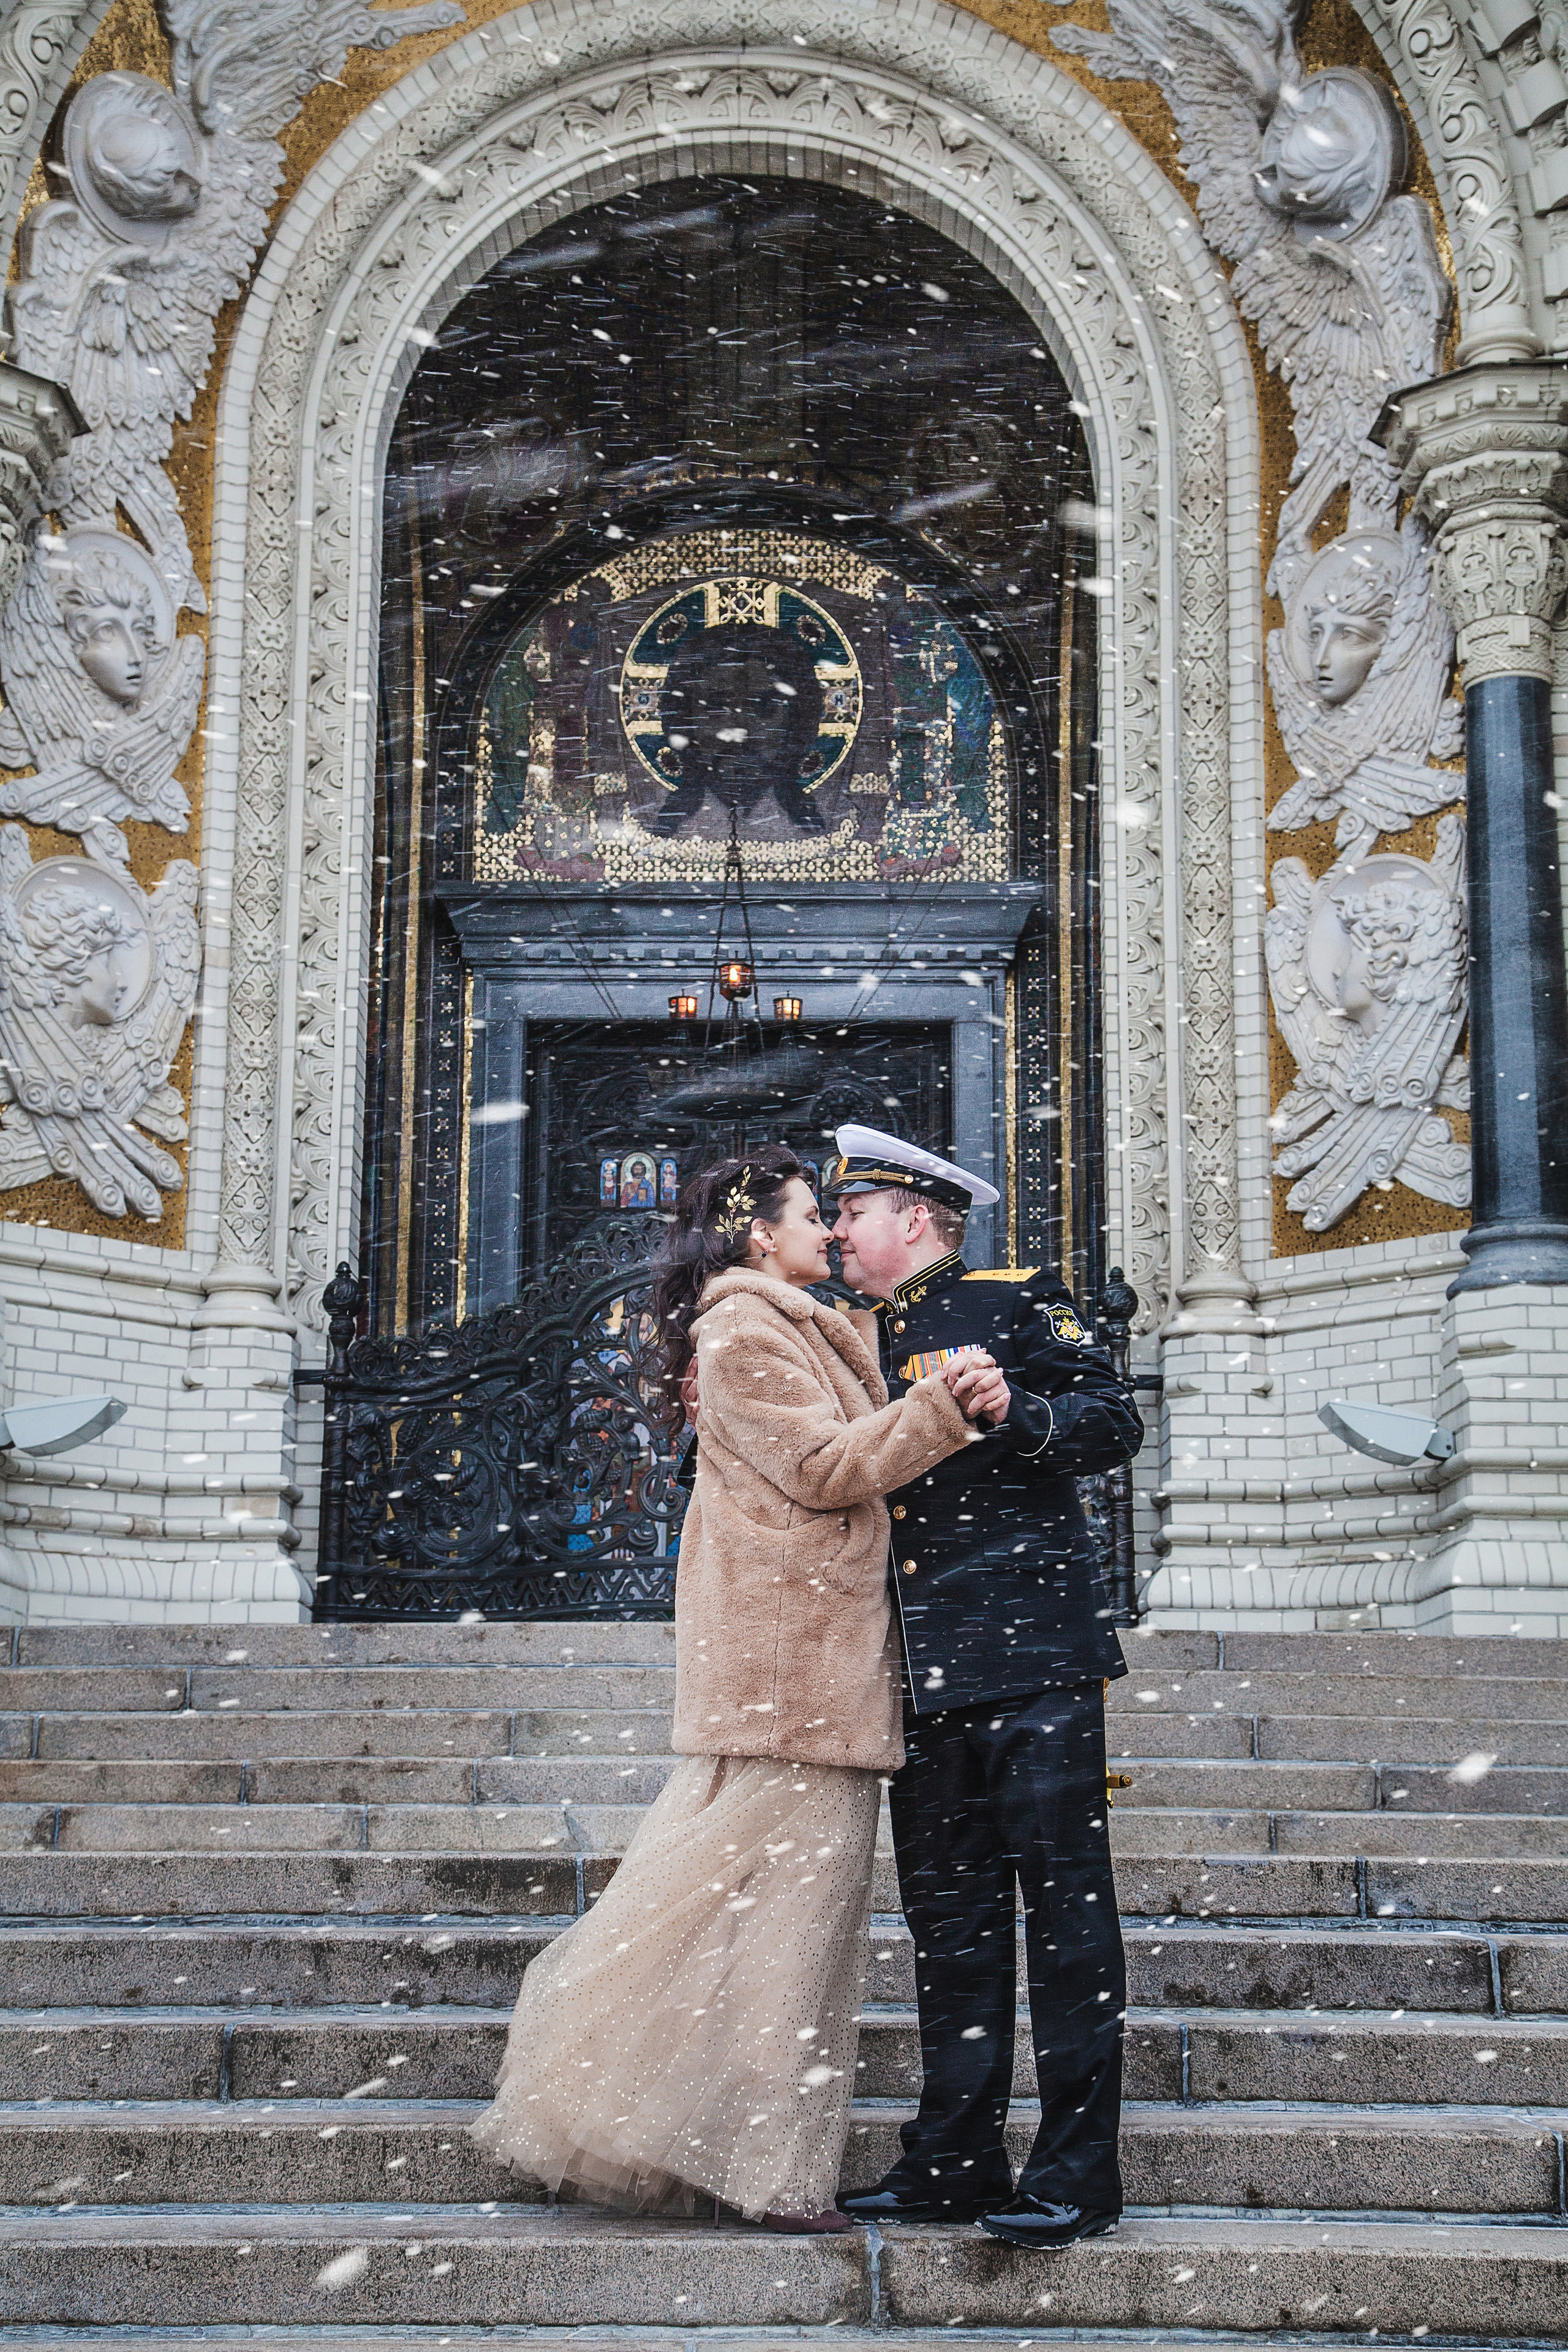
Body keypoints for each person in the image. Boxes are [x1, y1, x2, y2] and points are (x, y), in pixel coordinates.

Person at [470, 1144, 1007, 2231]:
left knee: (767, 1929)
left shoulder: (800, 1322)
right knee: (783, 1941)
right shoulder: (748, 1326)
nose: (834, 1229)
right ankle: (759, 2169)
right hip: (790, 1672)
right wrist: (944, 1408)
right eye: (817, 1213)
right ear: (760, 1232)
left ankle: (687, 2131)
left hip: (809, 1666)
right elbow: (820, 1468)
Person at [823, 1125, 1145, 2252]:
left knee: (1064, 1919)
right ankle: (955, 2161)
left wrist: (1021, 1412)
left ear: (914, 1217)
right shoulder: (838, 1332)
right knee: (950, 1926)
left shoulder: (1017, 1298)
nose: (833, 1231)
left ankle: (1074, 2175)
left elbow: (1113, 1423)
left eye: (851, 1213)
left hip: (1033, 1657)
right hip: (914, 1672)